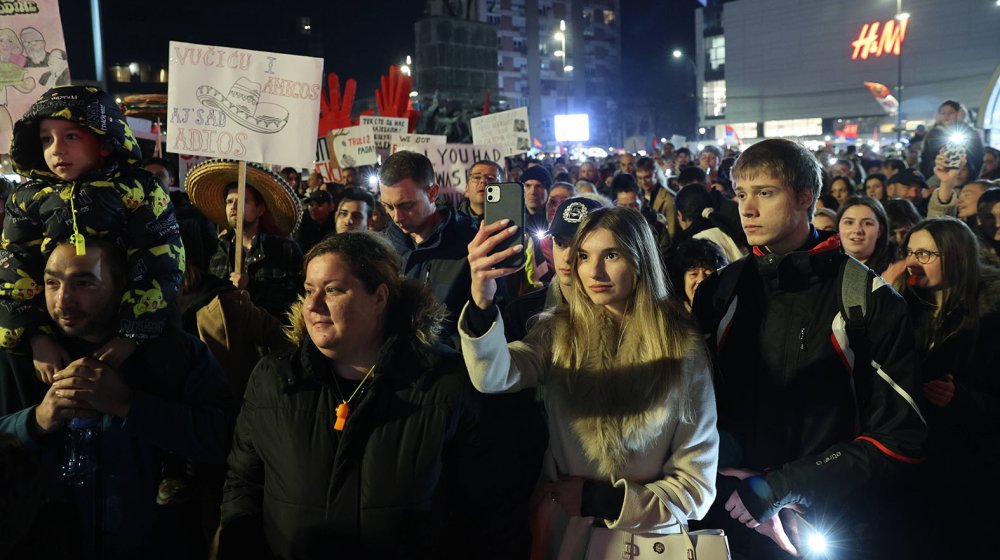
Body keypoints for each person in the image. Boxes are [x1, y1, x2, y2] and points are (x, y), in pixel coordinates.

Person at [691, 138, 926, 559]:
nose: (747, 209)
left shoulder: (867, 298)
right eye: (741, 194)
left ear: (805, 197)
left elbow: (900, 437)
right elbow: (692, 410)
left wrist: (780, 486)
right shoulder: (718, 293)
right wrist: (732, 476)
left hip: (823, 524)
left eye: (765, 193)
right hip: (730, 514)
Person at [218, 233, 511, 559]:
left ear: (379, 298)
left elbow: (484, 507)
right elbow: (243, 483)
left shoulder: (444, 384)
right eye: (308, 290)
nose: (312, 305)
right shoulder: (274, 380)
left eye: (332, 290)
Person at [461, 207, 719, 559]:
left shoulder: (681, 348)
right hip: (565, 536)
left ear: (640, 259)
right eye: (583, 256)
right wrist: (482, 302)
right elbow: (494, 375)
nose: (593, 271)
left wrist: (602, 500)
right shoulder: (557, 331)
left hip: (647, 542)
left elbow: (696, 486)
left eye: (610, 255)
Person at [0, 239, 232, 560]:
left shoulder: (174, 353)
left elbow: (224, 437)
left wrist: (128, 404)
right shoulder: (20, 357)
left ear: (120, 285)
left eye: (84, 283)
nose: (63, 300)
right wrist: (37, 420)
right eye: (52, 283)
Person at [3, 85, 184, 388]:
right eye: (47, 139)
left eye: (71, 136)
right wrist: (34, 337)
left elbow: (161, 260)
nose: (56, 148)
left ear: (105, 142)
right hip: (57, 334)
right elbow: (14, 267)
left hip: (134, 333)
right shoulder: (27, 198)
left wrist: (133, 335)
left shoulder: (139, 189)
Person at [894, 217, 1000, 558]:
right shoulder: (907, 305)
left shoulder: (991, 312)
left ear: (955, 255)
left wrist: (961, 398)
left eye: (924, 254)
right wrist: (884, 297)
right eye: (909, 252)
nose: (912, 262)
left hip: (973, 465)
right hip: (917, 457)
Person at [379, 151, 480, 342]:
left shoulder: (470, 244)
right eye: (388, 207)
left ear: (432, 193)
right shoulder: (381, 248)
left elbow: (480, 324)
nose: (396, 217)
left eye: (407, 206)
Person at [190, 160, 305, 323]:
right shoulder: (218, 249)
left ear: (260, 209)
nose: (234, 206)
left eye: (243, 201)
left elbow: (297, 302)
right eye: (229, 201)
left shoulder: (285, 249)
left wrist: (249, 290)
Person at [666, 238, 729, 310]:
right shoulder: (675, 317)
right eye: (693, 274)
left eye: (708, 274)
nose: (701, 280)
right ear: (682, 280)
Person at [836, 195, 894, 274]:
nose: (857, 230)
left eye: (867, 223)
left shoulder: (894, 272)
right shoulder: (825, 268)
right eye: (849, 222)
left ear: (880, 231)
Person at [457, 159, 503, 224]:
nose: (483, 181)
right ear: (467, 189)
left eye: (490, 178)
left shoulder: (513, 218)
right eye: (476, 177)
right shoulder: (450, 223)